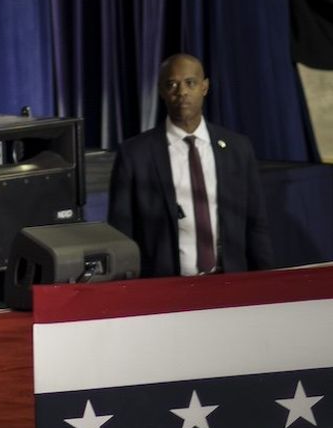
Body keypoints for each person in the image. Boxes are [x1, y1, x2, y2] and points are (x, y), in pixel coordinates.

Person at [108, 53, 273, 277]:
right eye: (172, 84)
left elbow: (256, 224)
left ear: (204, 87)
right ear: (161, 91)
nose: (182, 91)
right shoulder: (135, 154)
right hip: (165, 288)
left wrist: (266, 280)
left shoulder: (237, 148)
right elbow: (121, 233)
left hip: (230, 282)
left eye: (190, 83)